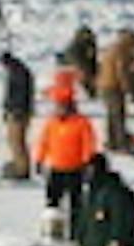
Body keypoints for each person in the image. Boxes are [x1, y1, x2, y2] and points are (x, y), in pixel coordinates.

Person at [33, 90, 98, 230]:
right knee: (52, 203)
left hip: (75, 169)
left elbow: (88, 144)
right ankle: (52, 230)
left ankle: (77, 231)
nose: (59, 109)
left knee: (76, 204)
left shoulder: (82, 123)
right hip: (56, 169)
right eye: (57, 106)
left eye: (62, 106)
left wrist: (88, 162)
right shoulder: (51, 123)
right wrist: (39, 160)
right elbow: (44, 142)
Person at [0, 53, 34, 180]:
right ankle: (19, 165)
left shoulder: (18, 73)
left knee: (17, 142)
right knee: (14, 141)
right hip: (17, 111)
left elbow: (18, 94)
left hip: (18, 113)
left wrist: (14, 110)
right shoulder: (19, 71)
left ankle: (22, 169)